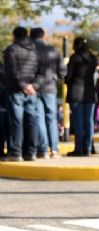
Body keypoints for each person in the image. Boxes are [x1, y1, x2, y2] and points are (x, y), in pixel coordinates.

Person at [3, 27, 39, 162]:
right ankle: (31, 152)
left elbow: (12, 71)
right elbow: (41, 71)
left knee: (16, 122)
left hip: (16, 90)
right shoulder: (34, 50)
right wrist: (33, 86)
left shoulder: (11, 49)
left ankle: (16, 152)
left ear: (14, 36)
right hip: (32, 91)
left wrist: (23, 86)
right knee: (31, 121)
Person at [31, 28, 65, 159]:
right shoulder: (53, 50)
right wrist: (54, 78)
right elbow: (62, 71)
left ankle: (43, 150)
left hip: (34, 87)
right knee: (51, 118)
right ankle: (54, 150)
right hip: (50, 87)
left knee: (39, 118)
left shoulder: (30, 51)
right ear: (43, 36)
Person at [65, 38, 98, 156]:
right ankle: (88, 148)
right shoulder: (93, 58)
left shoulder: (74, 58)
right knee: (89, 122)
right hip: (90, 93)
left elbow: (68, 76)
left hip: (76, 92)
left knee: (78, 122)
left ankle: (79, 148)